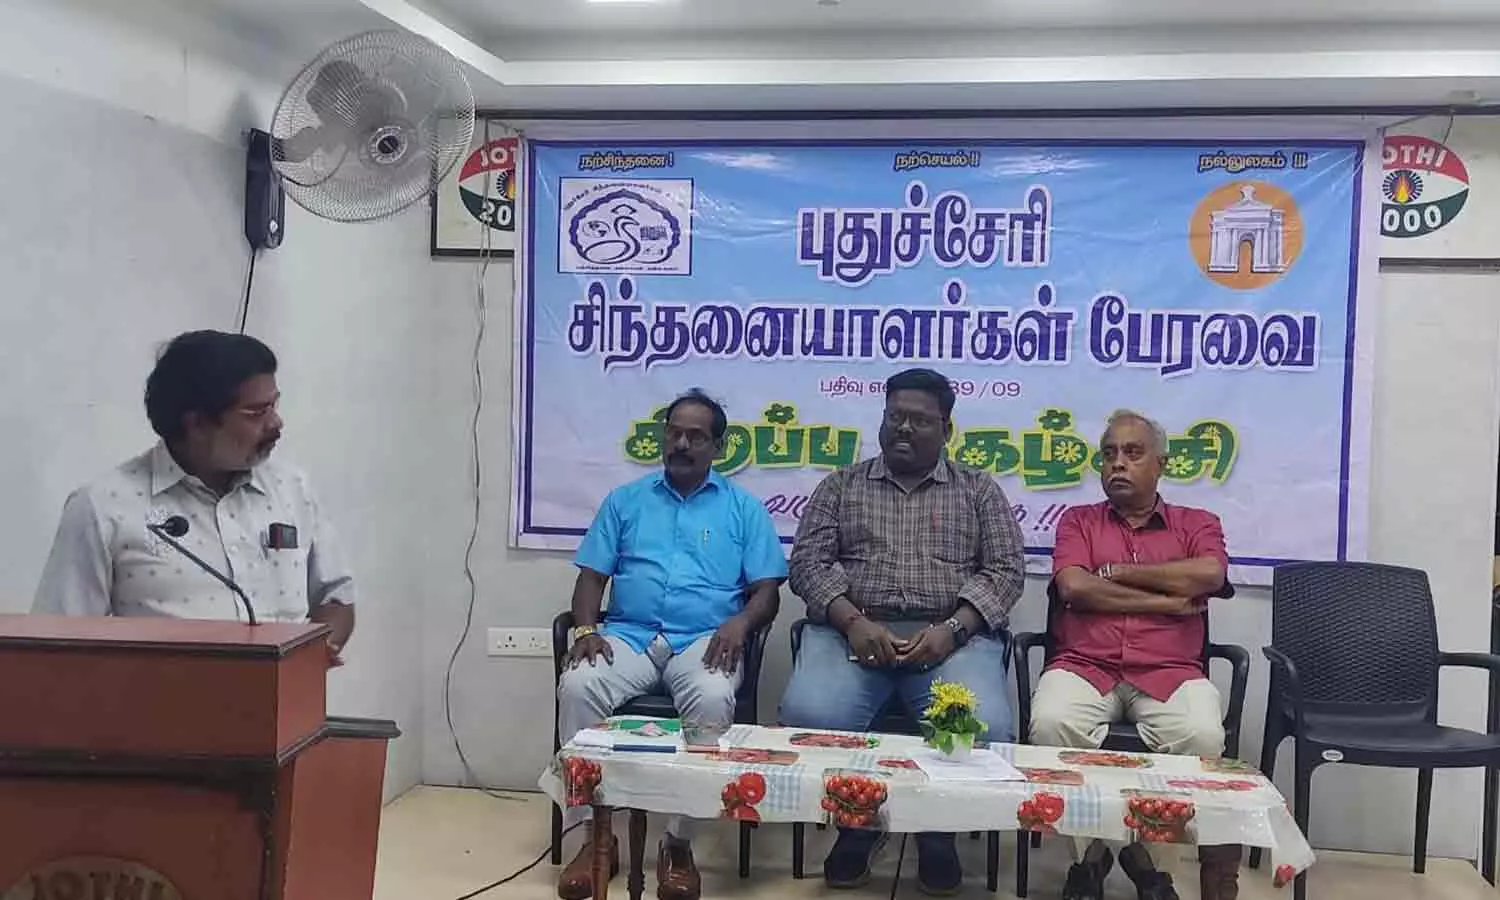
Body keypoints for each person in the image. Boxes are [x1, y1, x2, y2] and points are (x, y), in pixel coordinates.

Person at [780, 367, 1026, 896]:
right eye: (895, 417)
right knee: (810, 717)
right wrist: (851, 620)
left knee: (983, 727)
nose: (905, 429)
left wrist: (954, 629)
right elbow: (807, 564)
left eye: (920, 420)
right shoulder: (841, 485)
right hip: (852, 633)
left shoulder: (979, 490)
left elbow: (1006, 571)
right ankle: (857, 826)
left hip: (949, 639)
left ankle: (937, 832)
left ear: (947, 429)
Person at [556, 389, 786, 900]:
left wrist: (740, 624)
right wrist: (587, 631)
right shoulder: (626, 501)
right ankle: (594, 837)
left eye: (695, 436)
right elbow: (591, 578)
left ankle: (678, 844)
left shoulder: (744, 510)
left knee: (712, 698)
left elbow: (767, 592)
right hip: (629, 636)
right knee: (577, 686)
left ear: (718, 447)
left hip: (705, 641)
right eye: (674, 433)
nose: (681, 444)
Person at [33, 330, 355, 663]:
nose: (276, 423)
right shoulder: (103, 507)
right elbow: (56, 642)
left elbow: (336, 596)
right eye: (256, 412)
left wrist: (317, 652)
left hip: (290, 697)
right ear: (197, 423)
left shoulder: (292, 488)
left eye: (274, 404)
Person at [1029, 409, 1237, 900]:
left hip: (1169, 670)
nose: (1117, 463)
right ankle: (1090, 857)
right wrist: (1168, 602)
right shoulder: (1078, 521)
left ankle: (1149, 861)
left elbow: (1209, 574)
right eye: (1109, 454)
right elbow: (1075, 587)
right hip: (1086, 664)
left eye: (1132, 452)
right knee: (1051, 723)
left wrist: (1118, 572)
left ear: (1161, 464)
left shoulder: (1197, 523)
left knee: (1202, 734)